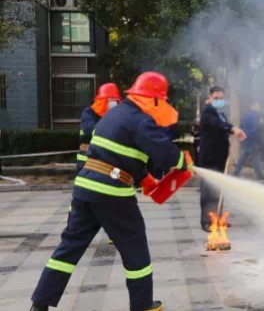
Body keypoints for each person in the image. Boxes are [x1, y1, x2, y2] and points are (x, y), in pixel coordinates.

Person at [29, 72, 190, 311]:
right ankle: (142, 305)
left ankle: (39, 304)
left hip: (85, 188)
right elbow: (165, 153)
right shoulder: (141, 120)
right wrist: (183, 161)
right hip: (111, 192)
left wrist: (144, 177)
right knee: (135, 247)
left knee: (69, 248)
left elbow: (117, 153)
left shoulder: (115, 115)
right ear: (154, 99)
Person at [199, 86, 246, 232]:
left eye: (221, 98)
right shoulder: (208, 111)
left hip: (219, 157)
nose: (219, 101)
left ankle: (219, 218)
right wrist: (232, 128)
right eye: (216, 98)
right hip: (210, 158)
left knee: (219, 188)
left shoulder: (220, 113)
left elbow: (220, 127)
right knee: (209, 190)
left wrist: (229, 133)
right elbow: (216, 124)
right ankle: (208, 221)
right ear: (210, 98)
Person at [77, 83, 121, 173]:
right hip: (87, 161)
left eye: (116, 101)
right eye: (111, 100)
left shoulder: (115, 117)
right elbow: (90, 130)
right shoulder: (89, 114)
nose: (114, 104)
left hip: (108, 162)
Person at [233, 101, 264, 180]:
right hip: (252, 140)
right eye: (258, 106)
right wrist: (257, 138)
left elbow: (241, 126)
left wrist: (242, 136)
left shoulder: (245, 115)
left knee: (243, 158)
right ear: (254, 106)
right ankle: (260, 175)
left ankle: (235, 173)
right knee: (255, 158)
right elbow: (255, 128)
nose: (259, 108)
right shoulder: (255, 115)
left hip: (245, 139)